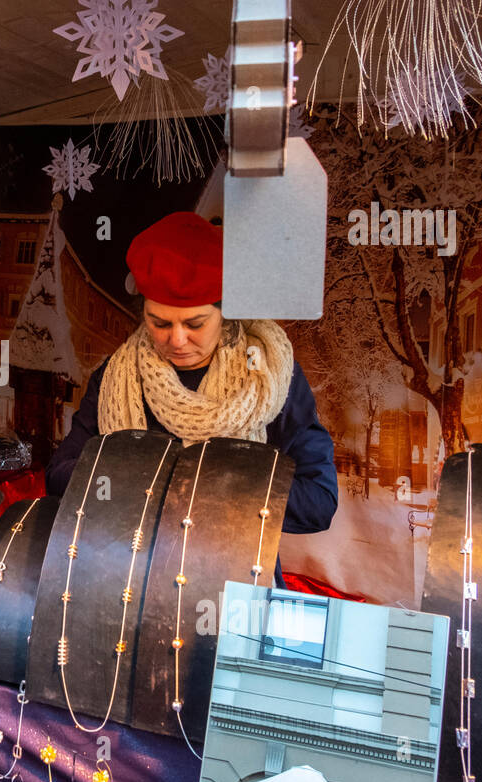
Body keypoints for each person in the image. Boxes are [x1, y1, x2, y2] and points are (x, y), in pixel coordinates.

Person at [45, 212, 337, 583]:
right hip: (128, 582)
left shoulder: (268, 378)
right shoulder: (116, 376)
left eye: (195, 324)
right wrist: (140, 480)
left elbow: (319, 500)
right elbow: (59, 474)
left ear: (225, 312)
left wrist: (218, 487)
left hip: (236, 581)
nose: (177, 340)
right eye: (159, 323)